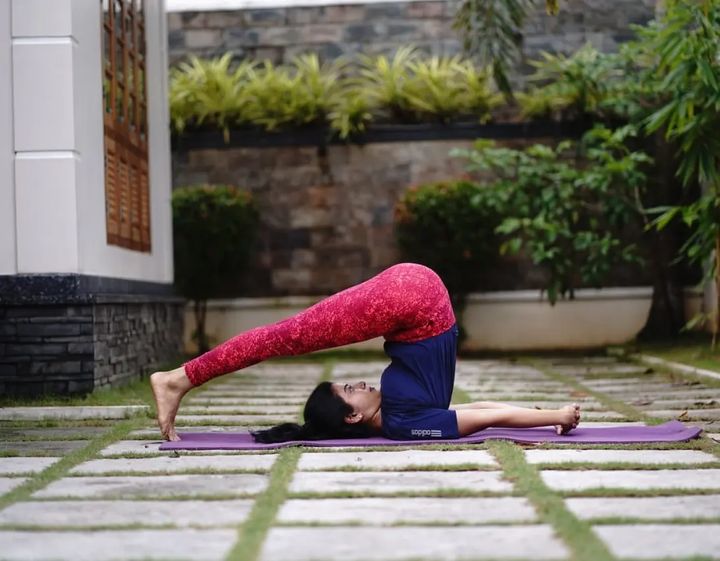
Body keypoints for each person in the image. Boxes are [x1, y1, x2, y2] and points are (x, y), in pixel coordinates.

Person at [151, 263, 580, 442]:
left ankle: (179, 378)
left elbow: (480, 413)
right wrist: (552, 415)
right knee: (282, 337)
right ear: (353, 416)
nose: (358, 383)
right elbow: (483, 414)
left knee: (285, 336)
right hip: (414, 302)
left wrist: (546, 415)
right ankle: (177, 378)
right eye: (349, 391)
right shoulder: (403, 425)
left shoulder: (398, 416)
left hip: (410, 301)